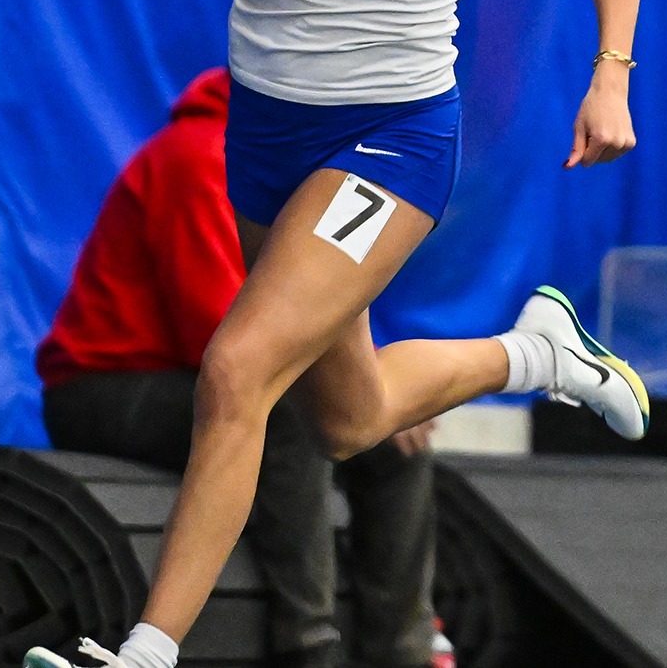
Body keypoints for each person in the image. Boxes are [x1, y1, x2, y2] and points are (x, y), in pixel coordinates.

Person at [26, 0, 649, 668]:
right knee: (347, 417)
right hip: (265, 134)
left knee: (235, 371)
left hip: (394, 140)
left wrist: (609, 77)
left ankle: (143, 651)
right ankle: (528, 354)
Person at [39, 67, 447, 668]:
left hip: (202, 369)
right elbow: (218, 335)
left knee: (392, 437)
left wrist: (368, 396)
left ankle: (403, 649)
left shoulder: (322, 176)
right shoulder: (198, 157)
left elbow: (325, 315)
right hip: (102, 389)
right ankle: (308, 645)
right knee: (284, 412)